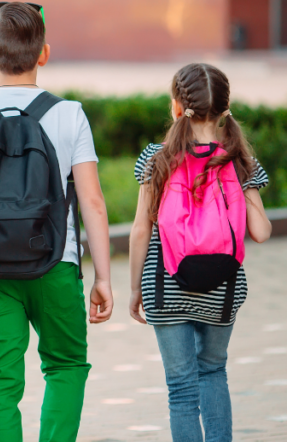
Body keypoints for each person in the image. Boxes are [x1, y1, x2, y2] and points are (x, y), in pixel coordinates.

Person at [0, 2, 114, 442]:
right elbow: (92, 202)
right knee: (66, 365)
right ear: (44, 54)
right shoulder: (69, 113)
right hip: (56, 262)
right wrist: (103, 278)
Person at [128, 63, 272, 442]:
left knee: (181, 388)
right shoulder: (240, 160)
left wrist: (134, 288)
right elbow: (260, 231)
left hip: (166, 286)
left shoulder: (156, 157)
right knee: (213, 371)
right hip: (221, 291)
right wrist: (241, 182)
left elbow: (141, 229)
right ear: (227, 110)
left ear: (177, 107)